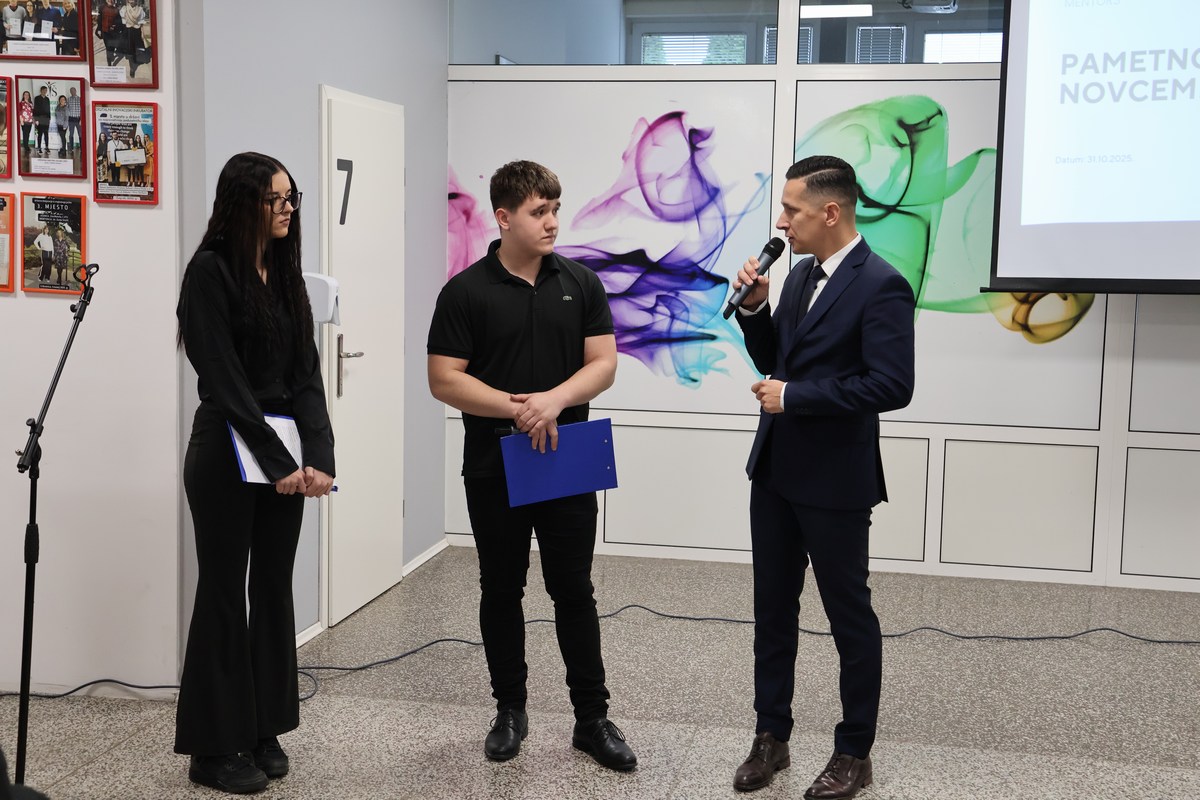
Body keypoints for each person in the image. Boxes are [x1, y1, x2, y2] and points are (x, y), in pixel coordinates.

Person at [427, 160, 636, 772]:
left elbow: (603, 363)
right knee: (502, 588)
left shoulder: (581, 282)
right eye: (538, 211)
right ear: (504, 217)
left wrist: (554, 401)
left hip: (567, 459)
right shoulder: (465, 292)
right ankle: (510, 712)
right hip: (496, 463)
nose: (551, 222)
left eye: (554, 210)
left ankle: (591, 719)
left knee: (574, 589)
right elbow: (444, 379)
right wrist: (519, 409)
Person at [728, 155, 915, 799]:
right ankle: (770, 736)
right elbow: (779, 360)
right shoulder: (801, 273)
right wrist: (756, 311)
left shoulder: (882, 284)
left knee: (848, 617)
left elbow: (892, 385)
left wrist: (796, 397)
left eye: (792, 210)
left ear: (830, 212)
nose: (782, 223)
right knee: (772, 610)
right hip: (776, 471)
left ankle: (853, 752)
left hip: (836, 481)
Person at [175, 152, 335, 794]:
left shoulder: (285, 273)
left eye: (292, 198)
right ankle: (213, 747)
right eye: (277, 199)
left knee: (272, 587)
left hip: (283, 454)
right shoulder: (209, 273)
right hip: (227, 450)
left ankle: (263, 725)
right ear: (244, 204)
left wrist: (318, 456)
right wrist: (276, 461)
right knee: (223, 591)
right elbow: (223, 377)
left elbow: (306, 374)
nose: (288, 209)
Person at [118, 0, 145, 78]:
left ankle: (135, 61)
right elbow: (123, 22)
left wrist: (142, 33)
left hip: (137, 31)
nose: (131, 0)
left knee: (137, 49)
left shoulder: (140, 10)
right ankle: (132, 68)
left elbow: (141, 22)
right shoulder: (124, 9)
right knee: (130, 50)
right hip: (128, 31)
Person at [97, 0, 121, 66]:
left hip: (114, 33)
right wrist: (99, 29)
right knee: (108, 48)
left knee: (112, 47)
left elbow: (119, 21)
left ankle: (111, 55)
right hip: (105, 32)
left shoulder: (116, 10)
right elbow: (99, 19)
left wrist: (115, 25)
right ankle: (109, 64)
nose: (110, 1)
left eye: (112, 0)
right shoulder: (102, 8)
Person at [31, 86, 49, 155]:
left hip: (46, 119)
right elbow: (35, 109)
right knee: (40, 134)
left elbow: (48, 109)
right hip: (39, 119)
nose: (44, 91)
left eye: (46, 90)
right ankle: (39, 148)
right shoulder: (37, 98)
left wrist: (49, 118)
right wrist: (36, 119)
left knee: (46, 134)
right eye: (43, 90)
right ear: (41, 91)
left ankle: (47, 147)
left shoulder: (47, 99)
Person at [64, 86, 81, 151]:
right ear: (70, 92)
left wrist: (81, 119)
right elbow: (67, 109)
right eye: (71, 91)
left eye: (73, 91)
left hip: (78, 119)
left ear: (76, 91)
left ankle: (82, 147)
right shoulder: (68, 99)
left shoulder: (80, 99)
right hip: (71, 119)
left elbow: (82, 110)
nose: (72, 92)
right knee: (71, 134)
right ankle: (71, 148)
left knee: (80, 134)